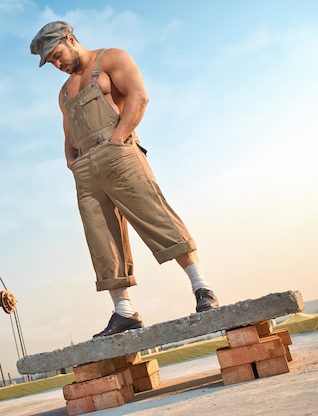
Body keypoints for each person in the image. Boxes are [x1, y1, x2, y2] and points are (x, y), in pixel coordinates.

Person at [30, 21, 219, 338]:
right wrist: (70, 158)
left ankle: (202, 287)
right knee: (100, 238)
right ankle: (124, 312)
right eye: (51, 62)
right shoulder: (63, 92)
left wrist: (118, 139)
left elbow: (138, 96)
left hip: (119, 151)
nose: (57, 64)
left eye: (57, 55)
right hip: (86, 168)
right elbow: (68, 127)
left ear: (71, 40)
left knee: (154, 215)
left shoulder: (111, 58)